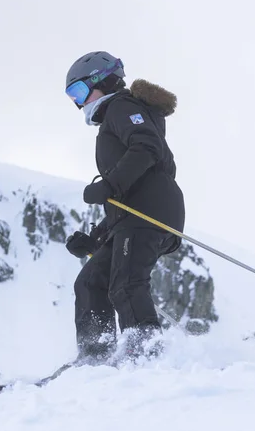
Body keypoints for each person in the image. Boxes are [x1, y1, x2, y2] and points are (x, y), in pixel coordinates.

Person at [64, 51, 185, 364]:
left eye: (78, 91)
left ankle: (146, 355)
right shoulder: (115, 115)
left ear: (101, 81)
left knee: (126, 284)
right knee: (91, 281)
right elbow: (127, 194)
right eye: (71, 96)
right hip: (134, 215)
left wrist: (107, 185)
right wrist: (97, 237)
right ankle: (96, 356)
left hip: (151, 212)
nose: (77, 103)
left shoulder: (121, 106)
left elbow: (146, 146)